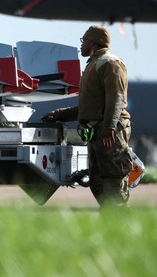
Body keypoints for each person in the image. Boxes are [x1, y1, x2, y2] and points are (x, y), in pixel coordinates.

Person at [42, 25, 132, 206]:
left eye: (83, 41)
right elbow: (89, 106)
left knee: (113, 181)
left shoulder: (110, 63)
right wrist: (60, 115)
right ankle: (110, 219)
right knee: (98, 182)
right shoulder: (95, 64)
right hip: (98, 131)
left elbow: (116, 98)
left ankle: (121, 219)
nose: (81, 45)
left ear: (92, 42)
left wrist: (110, 127)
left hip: (109, 131)